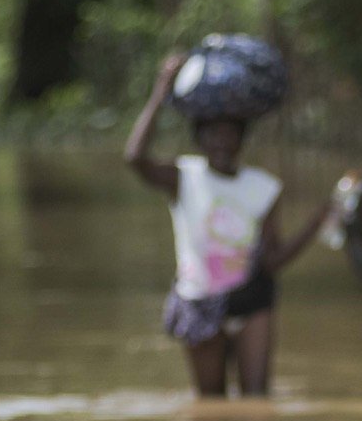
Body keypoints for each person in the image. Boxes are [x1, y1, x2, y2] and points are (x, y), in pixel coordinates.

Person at [124, 52, 340, 397]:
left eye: (229, 134)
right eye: (212, 134)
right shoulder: (184, 177)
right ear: (199, 138)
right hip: (199, 300)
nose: (221, 142)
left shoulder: (263, 187)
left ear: (241, 139)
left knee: (257, 398)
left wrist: (316, 223)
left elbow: (272, 261)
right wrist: (160, 90)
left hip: (251, 299)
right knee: (211, 400)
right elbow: (135, 157)